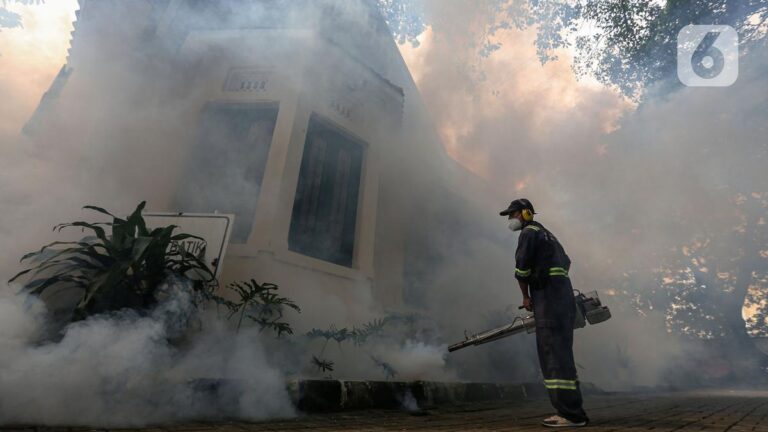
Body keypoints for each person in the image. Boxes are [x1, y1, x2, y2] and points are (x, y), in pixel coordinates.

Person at [500, 198, 589, 428]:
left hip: (548, 301)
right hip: (564, 298)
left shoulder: (529, 233)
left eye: (513, 214)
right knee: (562, 355)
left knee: (552, 356)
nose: (510, 219)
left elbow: (521, 270)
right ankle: (573, 411)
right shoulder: (548, 234)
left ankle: (570, 415)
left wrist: (527, 296)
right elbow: (566, 262)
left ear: (526, 213)